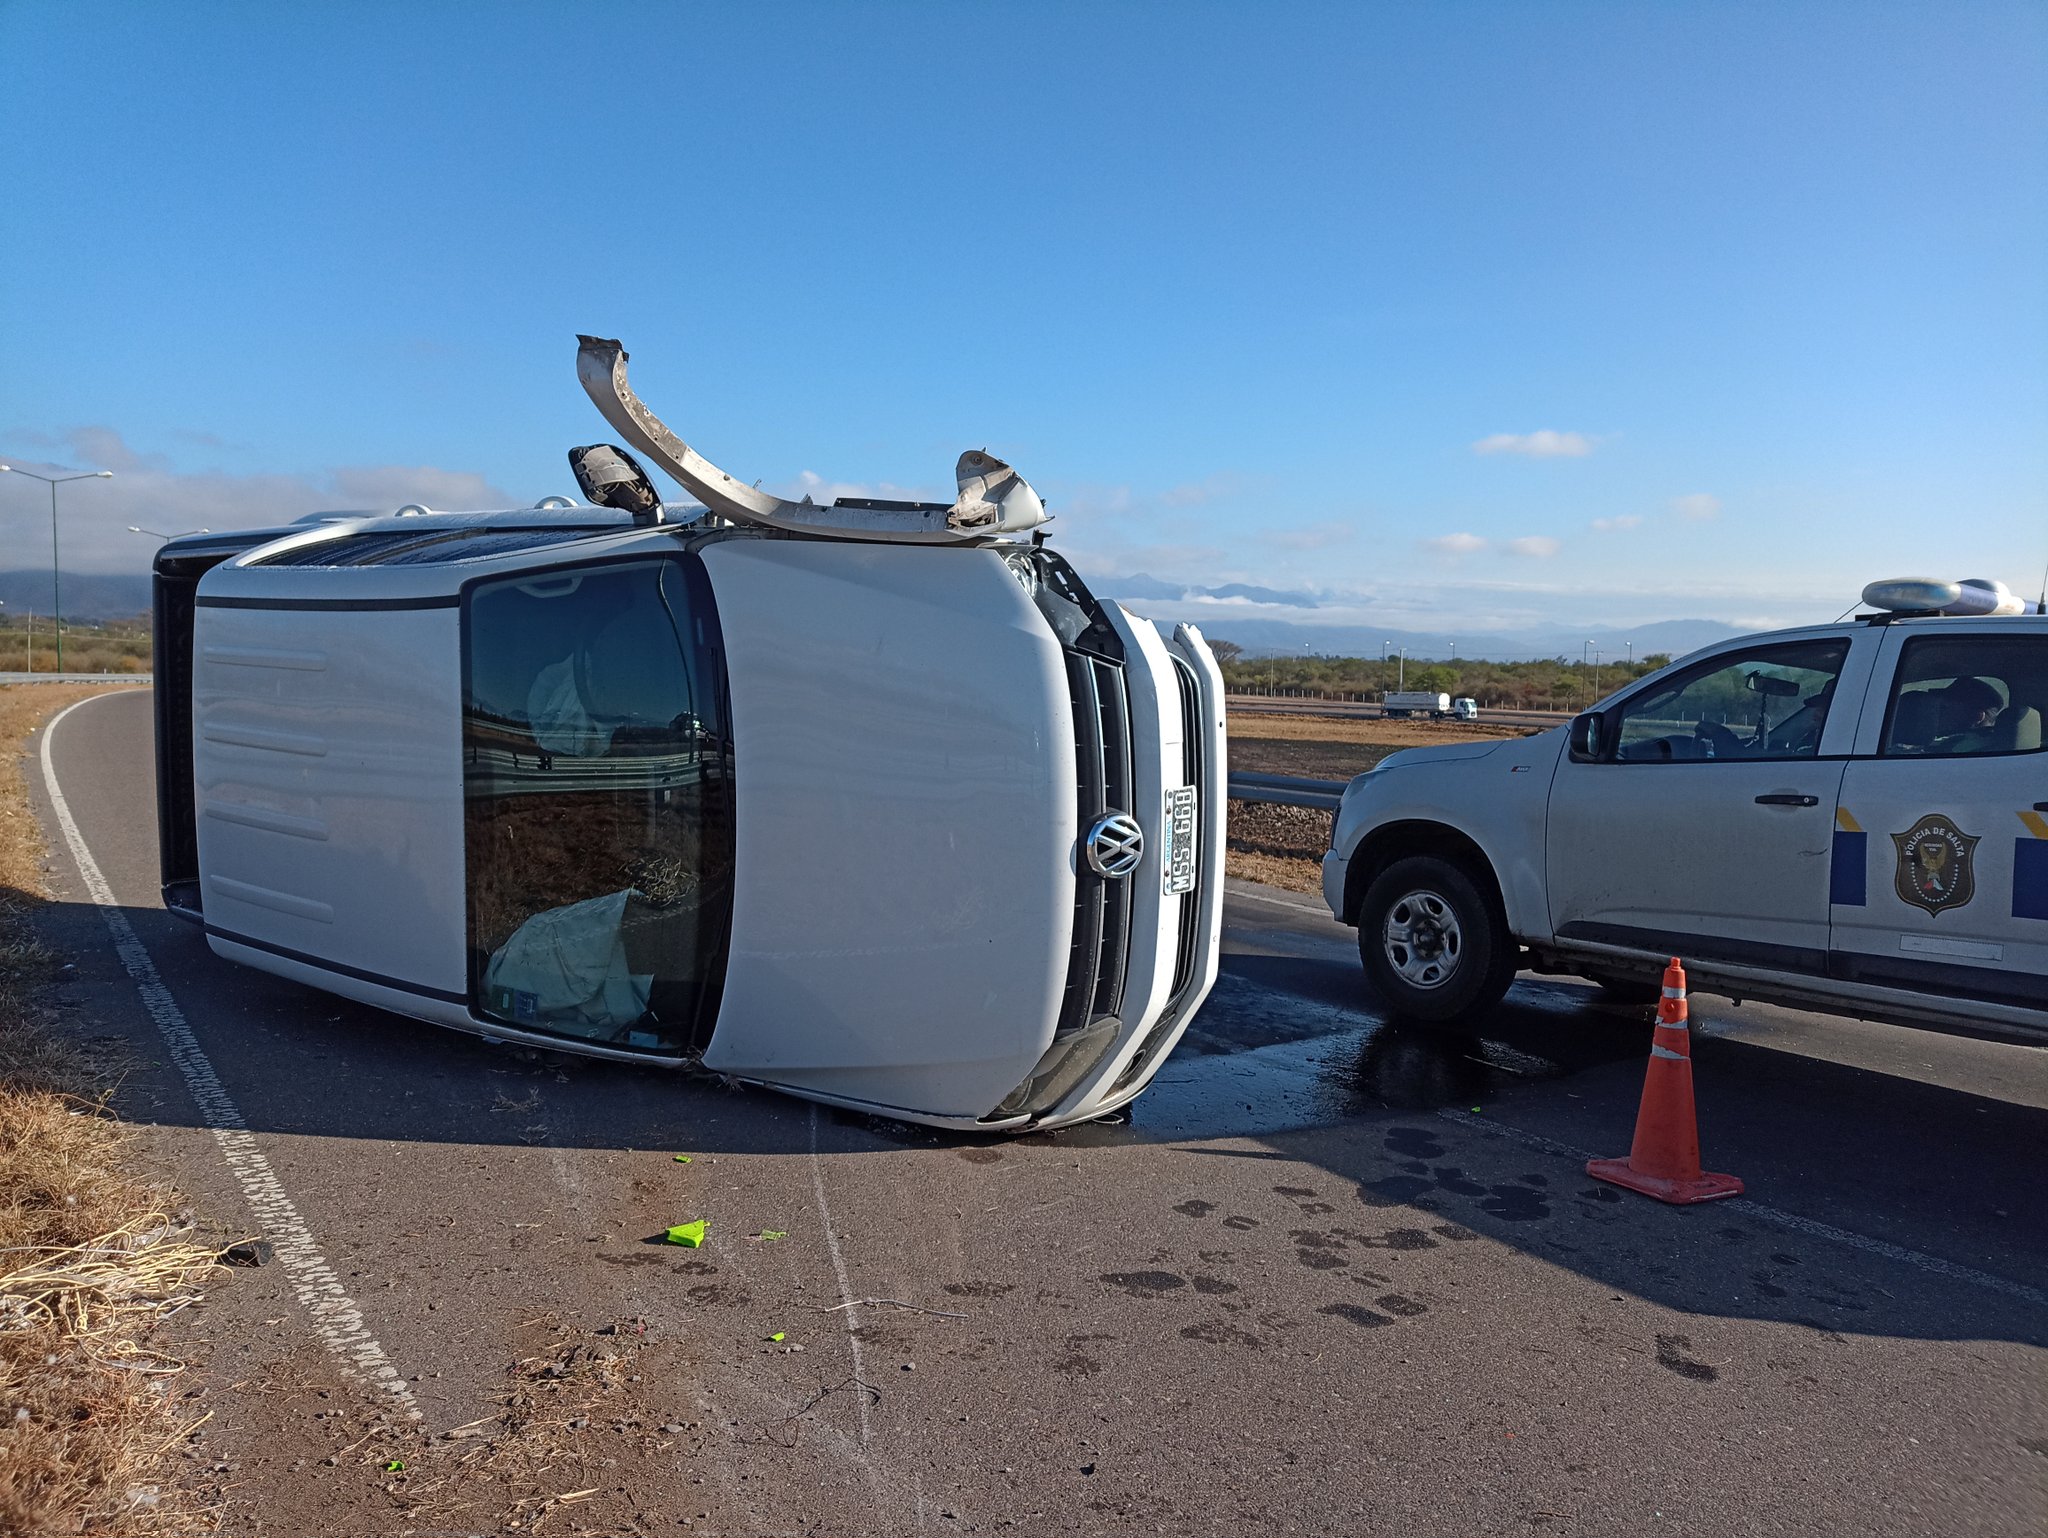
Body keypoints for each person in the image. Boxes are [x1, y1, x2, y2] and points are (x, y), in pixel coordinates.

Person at [1930, 675, 2004, 754]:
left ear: (1977, 716)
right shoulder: (1995, 746)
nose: (1937, 712)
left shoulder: (1958, 747)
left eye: (1944, 708)